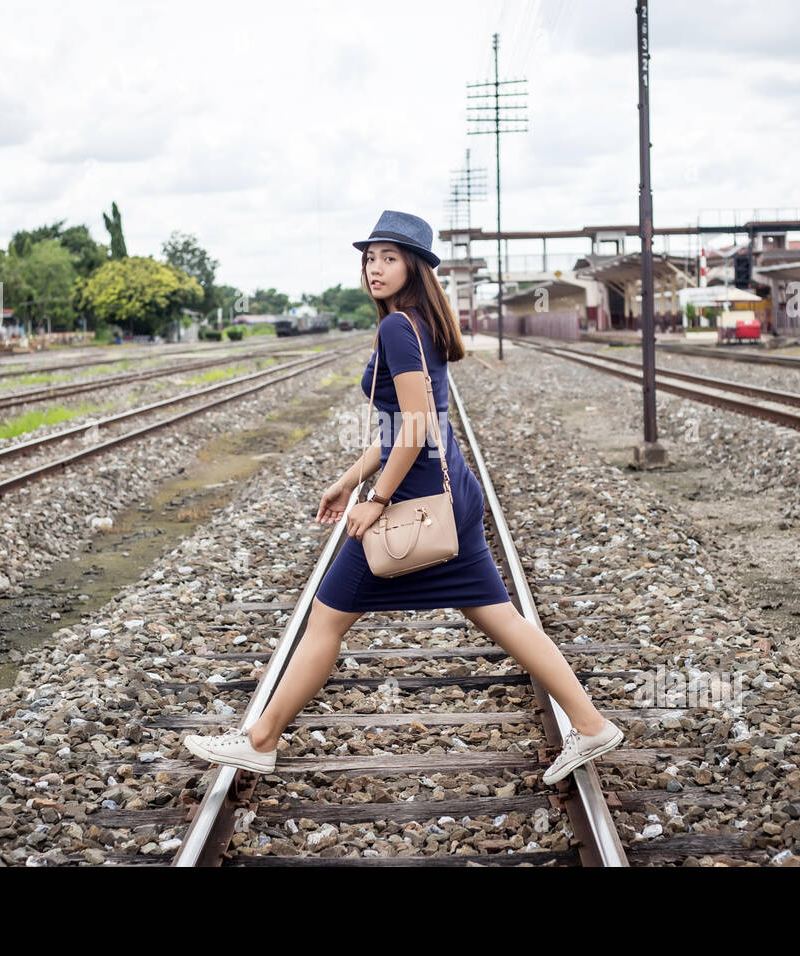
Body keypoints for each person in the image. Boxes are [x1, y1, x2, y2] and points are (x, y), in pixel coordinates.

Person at [182, 210, 623, 785]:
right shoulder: (416, 324)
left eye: (389, 257)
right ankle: (590, 724)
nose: (375, 268)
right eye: (370, 258)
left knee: (325, 620)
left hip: (416, 499)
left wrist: (375, 499)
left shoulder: (397, 329)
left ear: (414, 266)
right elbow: (405, 423)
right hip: (451, 492)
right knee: (500, 616)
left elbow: (414, 426)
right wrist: (349, 479)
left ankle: (261, 740)